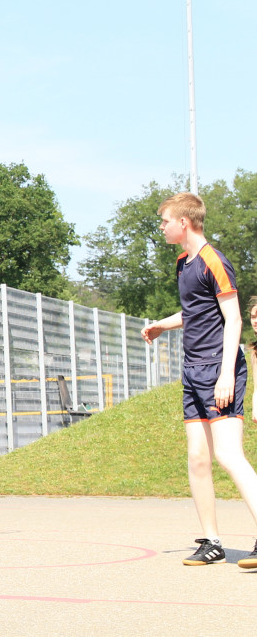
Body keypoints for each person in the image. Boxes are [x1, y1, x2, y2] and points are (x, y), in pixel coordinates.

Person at [141, 192, 257, 569]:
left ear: (184, 223)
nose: (162, 227)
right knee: (198, 459)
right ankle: (213, 542)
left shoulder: (213, 260)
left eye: (165, 221)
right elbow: (194, 311)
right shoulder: (182, 263)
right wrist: (163, 324)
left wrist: (226, 373)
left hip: (218, 369)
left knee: (228, 455)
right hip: (193, 371)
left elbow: (234, 319)